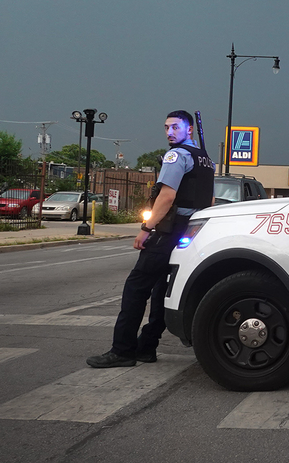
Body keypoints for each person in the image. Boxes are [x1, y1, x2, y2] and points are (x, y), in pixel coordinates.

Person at [87, 110, 214, 368]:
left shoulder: (176, 155)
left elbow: (166, 196)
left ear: (189, 129)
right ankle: (147, 346)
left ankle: (122, 350)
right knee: (161, 290)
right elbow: (209, 201)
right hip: (191, 232)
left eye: (176, 127)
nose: (170, 132)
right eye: (167, 127)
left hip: (168, 232)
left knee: (136, 288)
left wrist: (146, 228)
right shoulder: (206, 160)